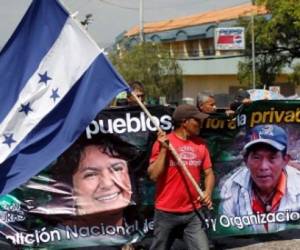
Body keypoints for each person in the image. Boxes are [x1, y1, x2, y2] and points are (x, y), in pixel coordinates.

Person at [148, 104, 215, 250]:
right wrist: (164, 150)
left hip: (193, 213)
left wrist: (208, 192)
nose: (200, 124)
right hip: (166, 213)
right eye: (197, 120)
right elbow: (153, 175)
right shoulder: (163, 143)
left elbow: (209, 173)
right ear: (184, 122)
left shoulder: (200, 144)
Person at [219, 124, 300, 232]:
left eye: (272, 157)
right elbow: (228, 232)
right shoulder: (231, 187)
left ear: (285, 160)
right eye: (256, 157)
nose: (263, 167)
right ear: (246, 160)